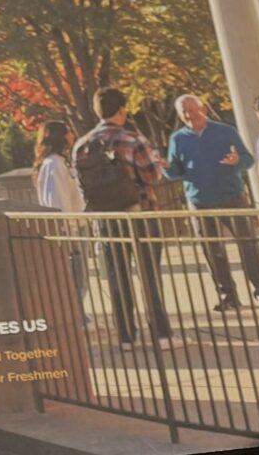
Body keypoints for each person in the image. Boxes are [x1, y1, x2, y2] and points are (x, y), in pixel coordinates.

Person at [73, 88, 177, 351]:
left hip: (106, 218)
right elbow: (153, 176)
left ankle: (126, 337)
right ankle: (161, 333)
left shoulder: (82, 144)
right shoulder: (132, 139)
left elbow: (81, 185)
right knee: (149, 275)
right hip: (139, 213)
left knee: (117, 276)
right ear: (121, 110)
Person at [162, 94, 259, 312]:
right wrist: (166, 168)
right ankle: (228, 295)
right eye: (183, 112)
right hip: (199, 202)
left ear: (202, 109)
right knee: (212, 250)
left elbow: (248, 159)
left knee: (247, 245)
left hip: (231, 197)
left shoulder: (225, 131)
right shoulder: (178, 139)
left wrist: (236, 162)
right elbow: (176, 172)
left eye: (192, 110)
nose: (188, 115)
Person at [34, 120, 88, 320]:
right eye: (68, 132)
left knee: (80, 276)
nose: (72, 136)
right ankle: (77, 316)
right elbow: (56, 201)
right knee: (75, 275)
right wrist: (68, 232)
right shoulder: (53, 165)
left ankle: (80, 314)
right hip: (69, 229)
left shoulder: (60, 163)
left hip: (75, 224)